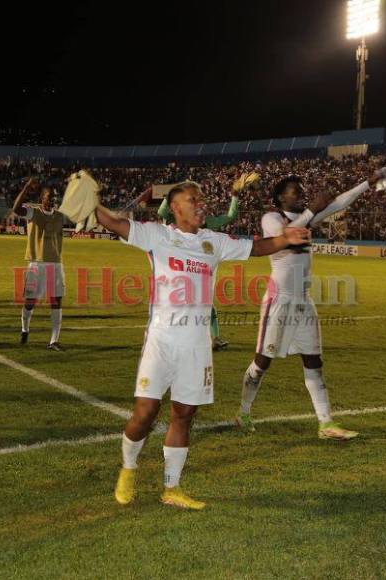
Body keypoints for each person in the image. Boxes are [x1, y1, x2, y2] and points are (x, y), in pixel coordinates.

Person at [92, 180, 312, 509]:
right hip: (161, 340)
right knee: (145, 413)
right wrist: (92, 200)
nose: (201, 204)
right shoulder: (158, 235)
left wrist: (284, 238)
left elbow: (255, 248)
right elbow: (112, 222)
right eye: (193, 200)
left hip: (197, 344)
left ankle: (172, 488)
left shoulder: (213, 241)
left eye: (202, 199)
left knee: (184, 414)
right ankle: (128, 468)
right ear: (176, 207)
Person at [236, 166, 386, 439]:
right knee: (262, 362)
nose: (301, 195)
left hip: (303, 302)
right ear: (281, 198)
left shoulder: (308, 217)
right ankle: (243, 412)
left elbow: (341, 201)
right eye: (295, 192)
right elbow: (283, 237)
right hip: (279, 300)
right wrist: (311, 211)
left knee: (313, 361)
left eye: (302, 192)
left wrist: (367, 183)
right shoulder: (272, 217)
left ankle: (326, 423)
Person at [157, 174, 253, 351]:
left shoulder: (201, 222)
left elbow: (231, 216)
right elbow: (161, 212)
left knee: (202, 305)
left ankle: (212, 338)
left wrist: (235, 195)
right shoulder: (185, 221)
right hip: (183, 270)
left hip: (189, 269)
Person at [11, 178, 66, 350]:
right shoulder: (33, 213)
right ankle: (25, 329)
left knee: (56, 302)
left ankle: (53, 341)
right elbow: (16, 208)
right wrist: (26, 187)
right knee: (30, 302)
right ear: (42, 198)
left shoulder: (60, 216)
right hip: (36, 264)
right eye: (49, 197)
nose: (52, 200)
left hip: (56, 264)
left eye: (55, 197)